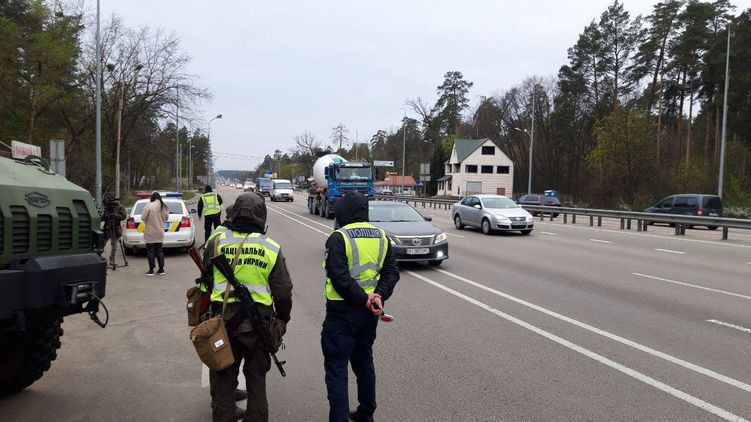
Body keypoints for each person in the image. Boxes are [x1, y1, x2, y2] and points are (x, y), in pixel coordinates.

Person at [203, 192, 293, 422]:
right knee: (256, 381)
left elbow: (207, 281)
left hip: (223, 323)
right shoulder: (271, 247)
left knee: (224, 382)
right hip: (259, 326)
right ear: (261, 216)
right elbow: (283, 292)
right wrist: (283, 320)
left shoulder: (216, 242)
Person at [321, 192, 399, 422]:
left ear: (344, 212)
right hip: (369, 313)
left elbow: (339, 276)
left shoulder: (339, 237)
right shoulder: (381, 236)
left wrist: (363, 298)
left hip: (341, 312)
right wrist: (378, 296)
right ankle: (366, 412)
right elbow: (391, 272)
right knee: (363, 360)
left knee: (336, 369)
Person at [141, 191, 169, 276]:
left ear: (152, 198)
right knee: (159, 250)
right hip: (159, 232)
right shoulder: (163, 206)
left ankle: (151, 270)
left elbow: (143, 218)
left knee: (150, 251)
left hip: (150, 232)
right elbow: (166, 218)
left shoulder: (148, 206)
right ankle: (161, 269)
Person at [102, 194, 127, 268]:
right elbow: (103, 217)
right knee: (102, 244)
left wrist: (115, 215)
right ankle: (100, 259)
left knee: (114, 246)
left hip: (115, 228)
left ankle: (112, 260)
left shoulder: (120, 207)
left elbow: (124, 216)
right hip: (107, 228)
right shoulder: (107, 208)